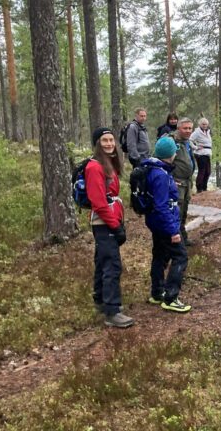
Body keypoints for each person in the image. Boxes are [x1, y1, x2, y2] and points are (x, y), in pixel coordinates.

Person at [86, 127, 134, 328]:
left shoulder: (106, 164)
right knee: (112, 265)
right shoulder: (95, 168)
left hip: (109, 221)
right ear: (97, 143)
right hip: (104, 223)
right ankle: (112, 312)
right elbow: (99, 203)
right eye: (104, 140)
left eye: (111, 140)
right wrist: (115, 226)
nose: (109, 144)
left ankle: (101, 300)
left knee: (102, 261)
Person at [141, 137, 192, 313]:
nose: (176, 153)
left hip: (155, 222)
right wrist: (173, 231)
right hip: (164, 224)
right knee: (180, 257)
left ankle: (157, 293)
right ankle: (171, 297)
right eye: (174, 151)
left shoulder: (155, 170)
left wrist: (171, 185)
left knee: (160, 255)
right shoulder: (161, 175)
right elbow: (161, 206)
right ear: (170, 154)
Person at [172, 117, 196, 246]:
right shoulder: (171, 142)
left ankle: (183, 238)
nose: (188, 131)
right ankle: (176, 240)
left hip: (187, 183)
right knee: (177, 211)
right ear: (178, 128)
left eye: (190, 128)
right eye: (185, 128)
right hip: (177, 183)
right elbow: (160, 161)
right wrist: (170, 179)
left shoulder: (187, 142)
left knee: (184, 210)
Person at [190, 117, 212, 192]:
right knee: (202, 171)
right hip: (200, 153)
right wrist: (195, 147)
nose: (204, 125)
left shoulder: (207, 132)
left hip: (207, 153)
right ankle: (199, 188)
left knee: (208, 172)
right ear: (200, 124)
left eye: (206, 124)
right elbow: (190, 140)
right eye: (203, 124)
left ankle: (204, 187)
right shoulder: (197, 132)